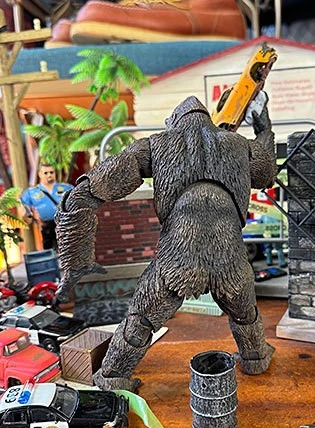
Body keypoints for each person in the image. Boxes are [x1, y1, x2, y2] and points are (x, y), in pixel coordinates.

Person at [55, 92, 278, 391]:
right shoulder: (239, 145)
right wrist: (263, 123)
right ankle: (255, 359)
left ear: (172, 122)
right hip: (229, 251)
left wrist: (76, 262)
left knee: (141, 320)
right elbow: (268, 172)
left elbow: (83, 195)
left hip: (178, 253)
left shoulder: (155, 145)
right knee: (245, 313)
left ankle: (113, 377)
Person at [21, 164, 73, 250]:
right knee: (49, 251)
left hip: (64, 225)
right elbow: (25, 211)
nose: (49, 175)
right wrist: (29, 215)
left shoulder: (66, 188)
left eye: (51, 172)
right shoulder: (31, 192)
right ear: (39, 174)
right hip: (45, 227)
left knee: (67, 250)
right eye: (45, 173)